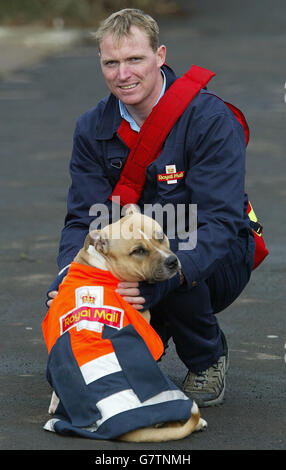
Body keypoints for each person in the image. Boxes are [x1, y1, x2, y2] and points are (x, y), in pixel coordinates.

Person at [46, 8, 255, 407]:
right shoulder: (92, 127)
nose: (122, 74)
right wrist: (70, 283)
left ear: (160, 55)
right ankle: (141, 339)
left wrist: (152, 281)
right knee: (78, 309)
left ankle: (205, 356)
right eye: (111, 62)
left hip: (214, 256)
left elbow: (221, 224)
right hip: (133, 255)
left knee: (169, 262)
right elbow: (84, 218)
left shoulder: (211, 119)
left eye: (134, 59)